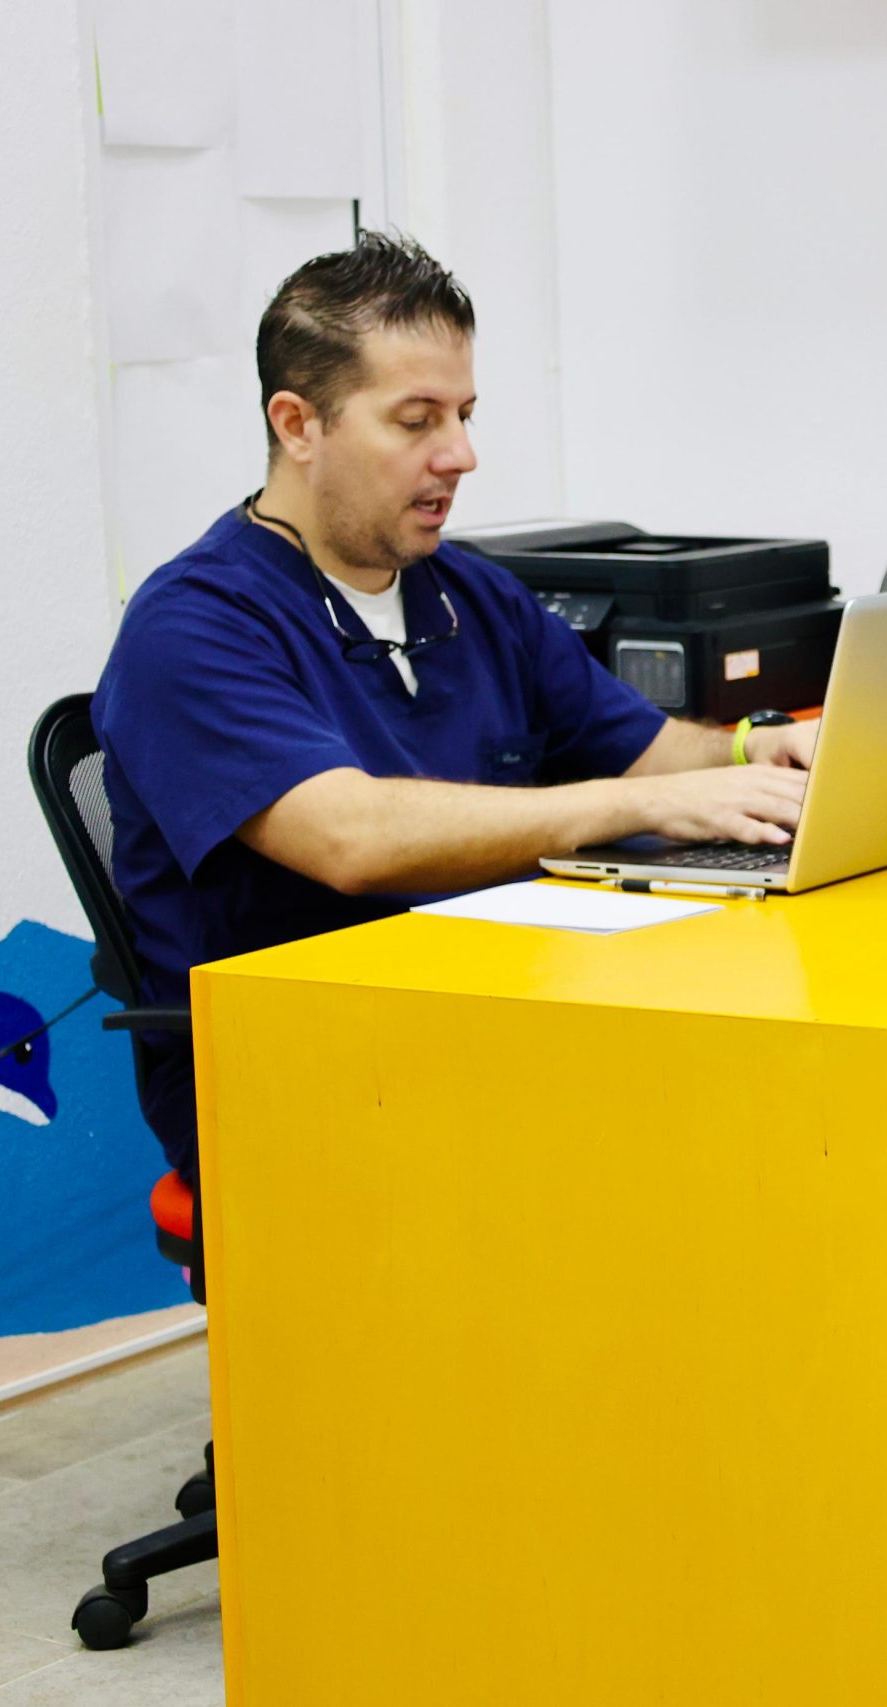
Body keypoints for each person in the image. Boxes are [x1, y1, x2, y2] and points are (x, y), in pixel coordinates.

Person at [92, 233, 819, 1182]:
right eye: (417, 420)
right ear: (299, 424)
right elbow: (351, 838)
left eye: (466, 415)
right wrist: (641, 805)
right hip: (304, 1081)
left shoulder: (471, 594)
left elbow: (643, 750)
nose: (462, 455)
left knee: (766, 1091)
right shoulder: (192, 625)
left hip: (499, 1011)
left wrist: (758, 754)